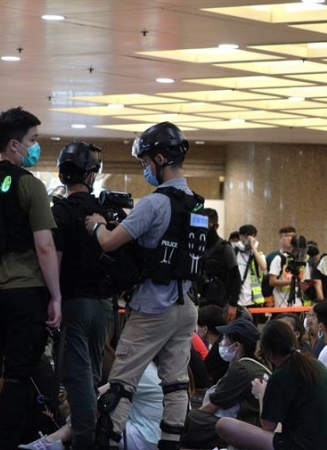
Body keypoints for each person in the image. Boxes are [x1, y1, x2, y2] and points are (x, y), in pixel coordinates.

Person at [85, 122, 207, 450]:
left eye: (145, 162)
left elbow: (110, 242)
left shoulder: (154, 203)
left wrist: (96, 225)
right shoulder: (196, 203)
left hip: (153, 305)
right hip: (186, 307)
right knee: (176, 385)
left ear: (160, 158)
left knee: (122, 385)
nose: (145, 169)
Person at [0, 107, 62, 450]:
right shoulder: (31, 186)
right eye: (33, 141)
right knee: (15, 374)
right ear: (14, 145)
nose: (35, 147)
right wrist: (55, 296)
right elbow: (44, 247)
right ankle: (7, 443)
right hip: (25, 294)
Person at [51, 141, 114, 450]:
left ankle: (85, 441)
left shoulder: (59, 211)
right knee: (92, 371)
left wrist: (53, 299)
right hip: (104, 305)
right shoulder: (103, 209)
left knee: (77, 376)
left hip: (75, 302)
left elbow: (55, 259)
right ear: (90, 175)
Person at [215, 320, 327, 450]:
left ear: (268, 352)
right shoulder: (315, 364)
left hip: (302, 445)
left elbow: (267, 426)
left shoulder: (280, 376)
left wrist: (261, 394)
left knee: (223, 425)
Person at [20, 363, 164, 450]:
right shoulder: (150, 368)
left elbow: (99, 394)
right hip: (151, 436)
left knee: (99, 409)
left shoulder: (141, 370)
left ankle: (52, 441)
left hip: (145, 440)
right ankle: (54, 441)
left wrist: (71, 402)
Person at [183, 318, 270, 449]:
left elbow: (213, 405)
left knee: (192, 419)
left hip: (248, 427)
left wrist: (191, 420)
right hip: (257, 426)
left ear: (236, 346)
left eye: (224, 339)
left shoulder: (241, 369)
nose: (221, 343)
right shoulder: (258, 366)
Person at [198, 208, 241, 322]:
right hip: (202, 301)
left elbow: (236, 277)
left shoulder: (225, 247)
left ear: (216, 226)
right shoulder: (197, 247)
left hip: (222, 304)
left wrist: (233, 304)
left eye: (207, 225)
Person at [234, 224, 268, 319]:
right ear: (240, 236)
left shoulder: (259, 255)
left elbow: (263, 267)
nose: (248, 239)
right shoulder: (235, 253)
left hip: (253, 302)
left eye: (251, 236)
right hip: (237, 301)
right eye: (245, 236)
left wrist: (253, 248)